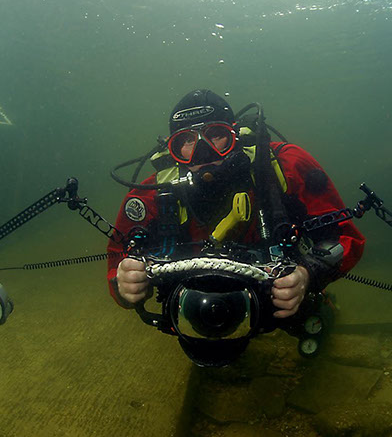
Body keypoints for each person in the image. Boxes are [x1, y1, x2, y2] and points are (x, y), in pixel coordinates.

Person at [106, 89, 365, 319]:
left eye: (216, 135)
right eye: (186, 141)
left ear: (236, 136)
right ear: (172, 151)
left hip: (278, 301)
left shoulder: (285, 167)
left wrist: (308, 275)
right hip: (192, 303)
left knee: (308, 317)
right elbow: (119, 256)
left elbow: (344, 236)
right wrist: (126, 283)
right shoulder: (150, 196)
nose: (202, 152)